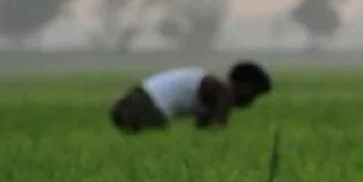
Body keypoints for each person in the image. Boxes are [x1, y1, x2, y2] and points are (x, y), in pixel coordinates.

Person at [109, 61, 272, 133]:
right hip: (144, 107)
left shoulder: (211, 85)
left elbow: (202, 127)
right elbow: (215, 130)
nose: (251, 101)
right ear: (244, 86)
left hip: (130, 101)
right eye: (253, 94)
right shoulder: (223, 93)